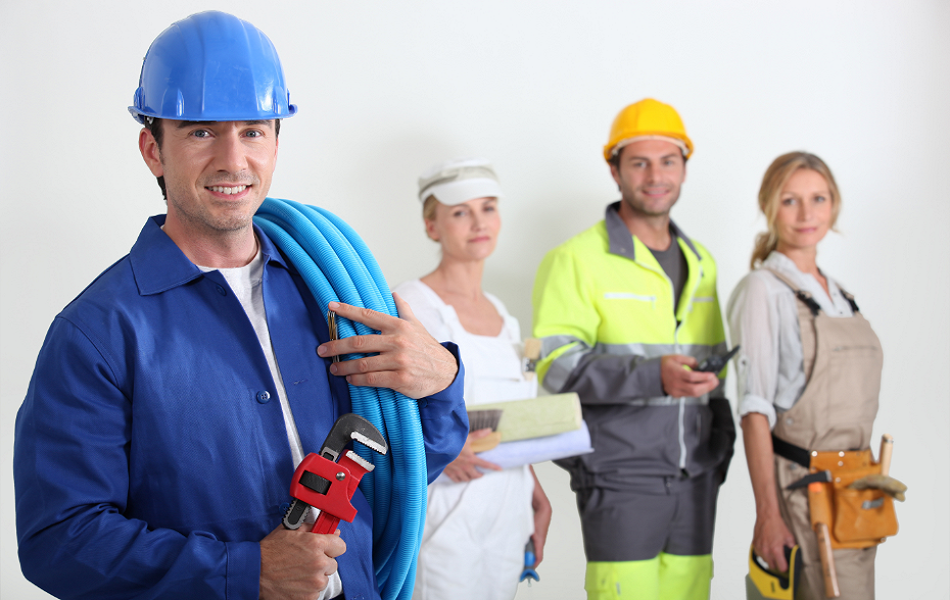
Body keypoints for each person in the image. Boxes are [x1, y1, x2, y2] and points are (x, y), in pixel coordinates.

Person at [13, 11, 467, 600]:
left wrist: (441, 380)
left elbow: (402, 472)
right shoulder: (98, 333)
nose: (233, 160)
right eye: (201, 132)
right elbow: (59, 539)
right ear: (153, 150)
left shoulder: (327, 292)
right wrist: (244, 571)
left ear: (276, 143)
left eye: (252, 131)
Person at [531, 98, 735, 600]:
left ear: (684, 167)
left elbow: (716, 371)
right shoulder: (576, 259)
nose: (655, 175)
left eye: (668, 161)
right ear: (615, 170)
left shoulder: (702, 261)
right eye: (639, 163)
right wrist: (652, 375)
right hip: (620, 477)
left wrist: (721, 445)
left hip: (696, 477)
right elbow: (554, 366)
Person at [393, 158, 552, 600]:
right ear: (432, 226)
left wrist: (535, 492)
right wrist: (443, 446)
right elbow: (383, 413)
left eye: (488, 208)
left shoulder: (504, 316)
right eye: (461, 212)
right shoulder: (411, 305)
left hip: (508, 513)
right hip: (445, 516)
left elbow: (510, 420)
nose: (479, 222)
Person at [728, 152, 885, 599]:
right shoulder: (763, 290)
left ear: (834, 205)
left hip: (857, 493)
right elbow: (754, 409)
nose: (806, 214)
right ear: (769, 206)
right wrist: (768, 515)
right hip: (803, 494)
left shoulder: (842, 296)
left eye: (818, 198)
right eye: (789, 200)